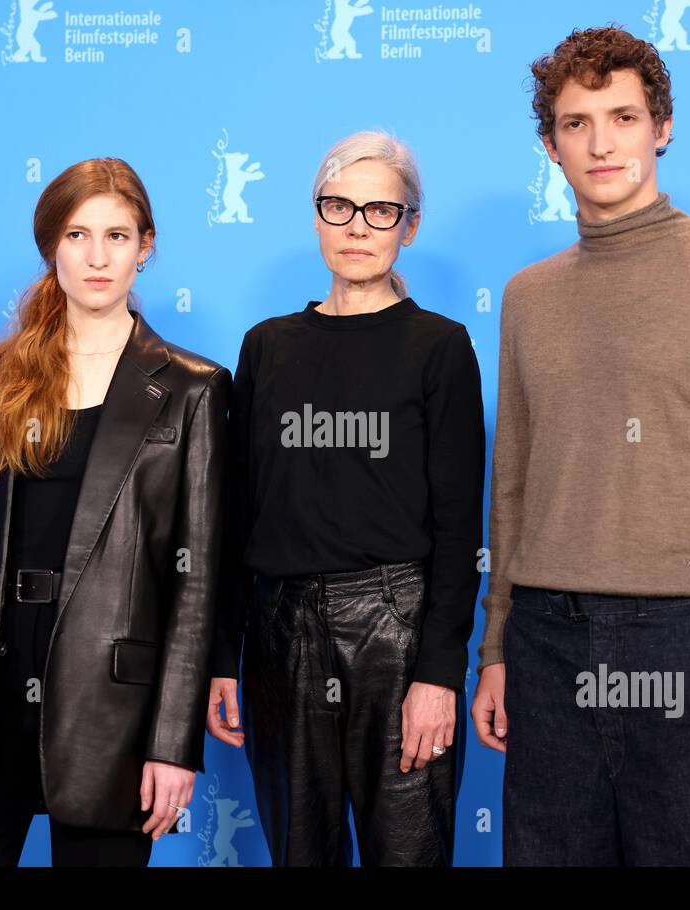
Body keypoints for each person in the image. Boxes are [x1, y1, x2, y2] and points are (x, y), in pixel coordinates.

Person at [471, 27, 690, 866]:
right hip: (544, 643)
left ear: (661, 127)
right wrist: (498, 649)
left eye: (622, 116)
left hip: (686, 643)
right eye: (576, 123)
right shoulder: (527, 297)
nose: (601, 142)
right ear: (550, 145)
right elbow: (511, 486)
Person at [0, 157, 230, 866]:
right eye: (77, 235)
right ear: (52, 247)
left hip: (111, 713)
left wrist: (172, 743)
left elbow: (198, 586)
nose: (98, 256)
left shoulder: (195, 390)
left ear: (146, 246)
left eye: (117, 235)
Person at [206, 130, 486, 866]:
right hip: (279, 633)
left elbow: (460, 525)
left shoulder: (440, 345)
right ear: (316, 216)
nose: (358, 225)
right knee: (301, 853)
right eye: (340, 206)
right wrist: (219, 657)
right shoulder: (266, 346)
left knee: (408, 854)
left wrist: (437, 672)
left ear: (410, 226)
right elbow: (238, 513)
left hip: (396, 630)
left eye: (381, 210)